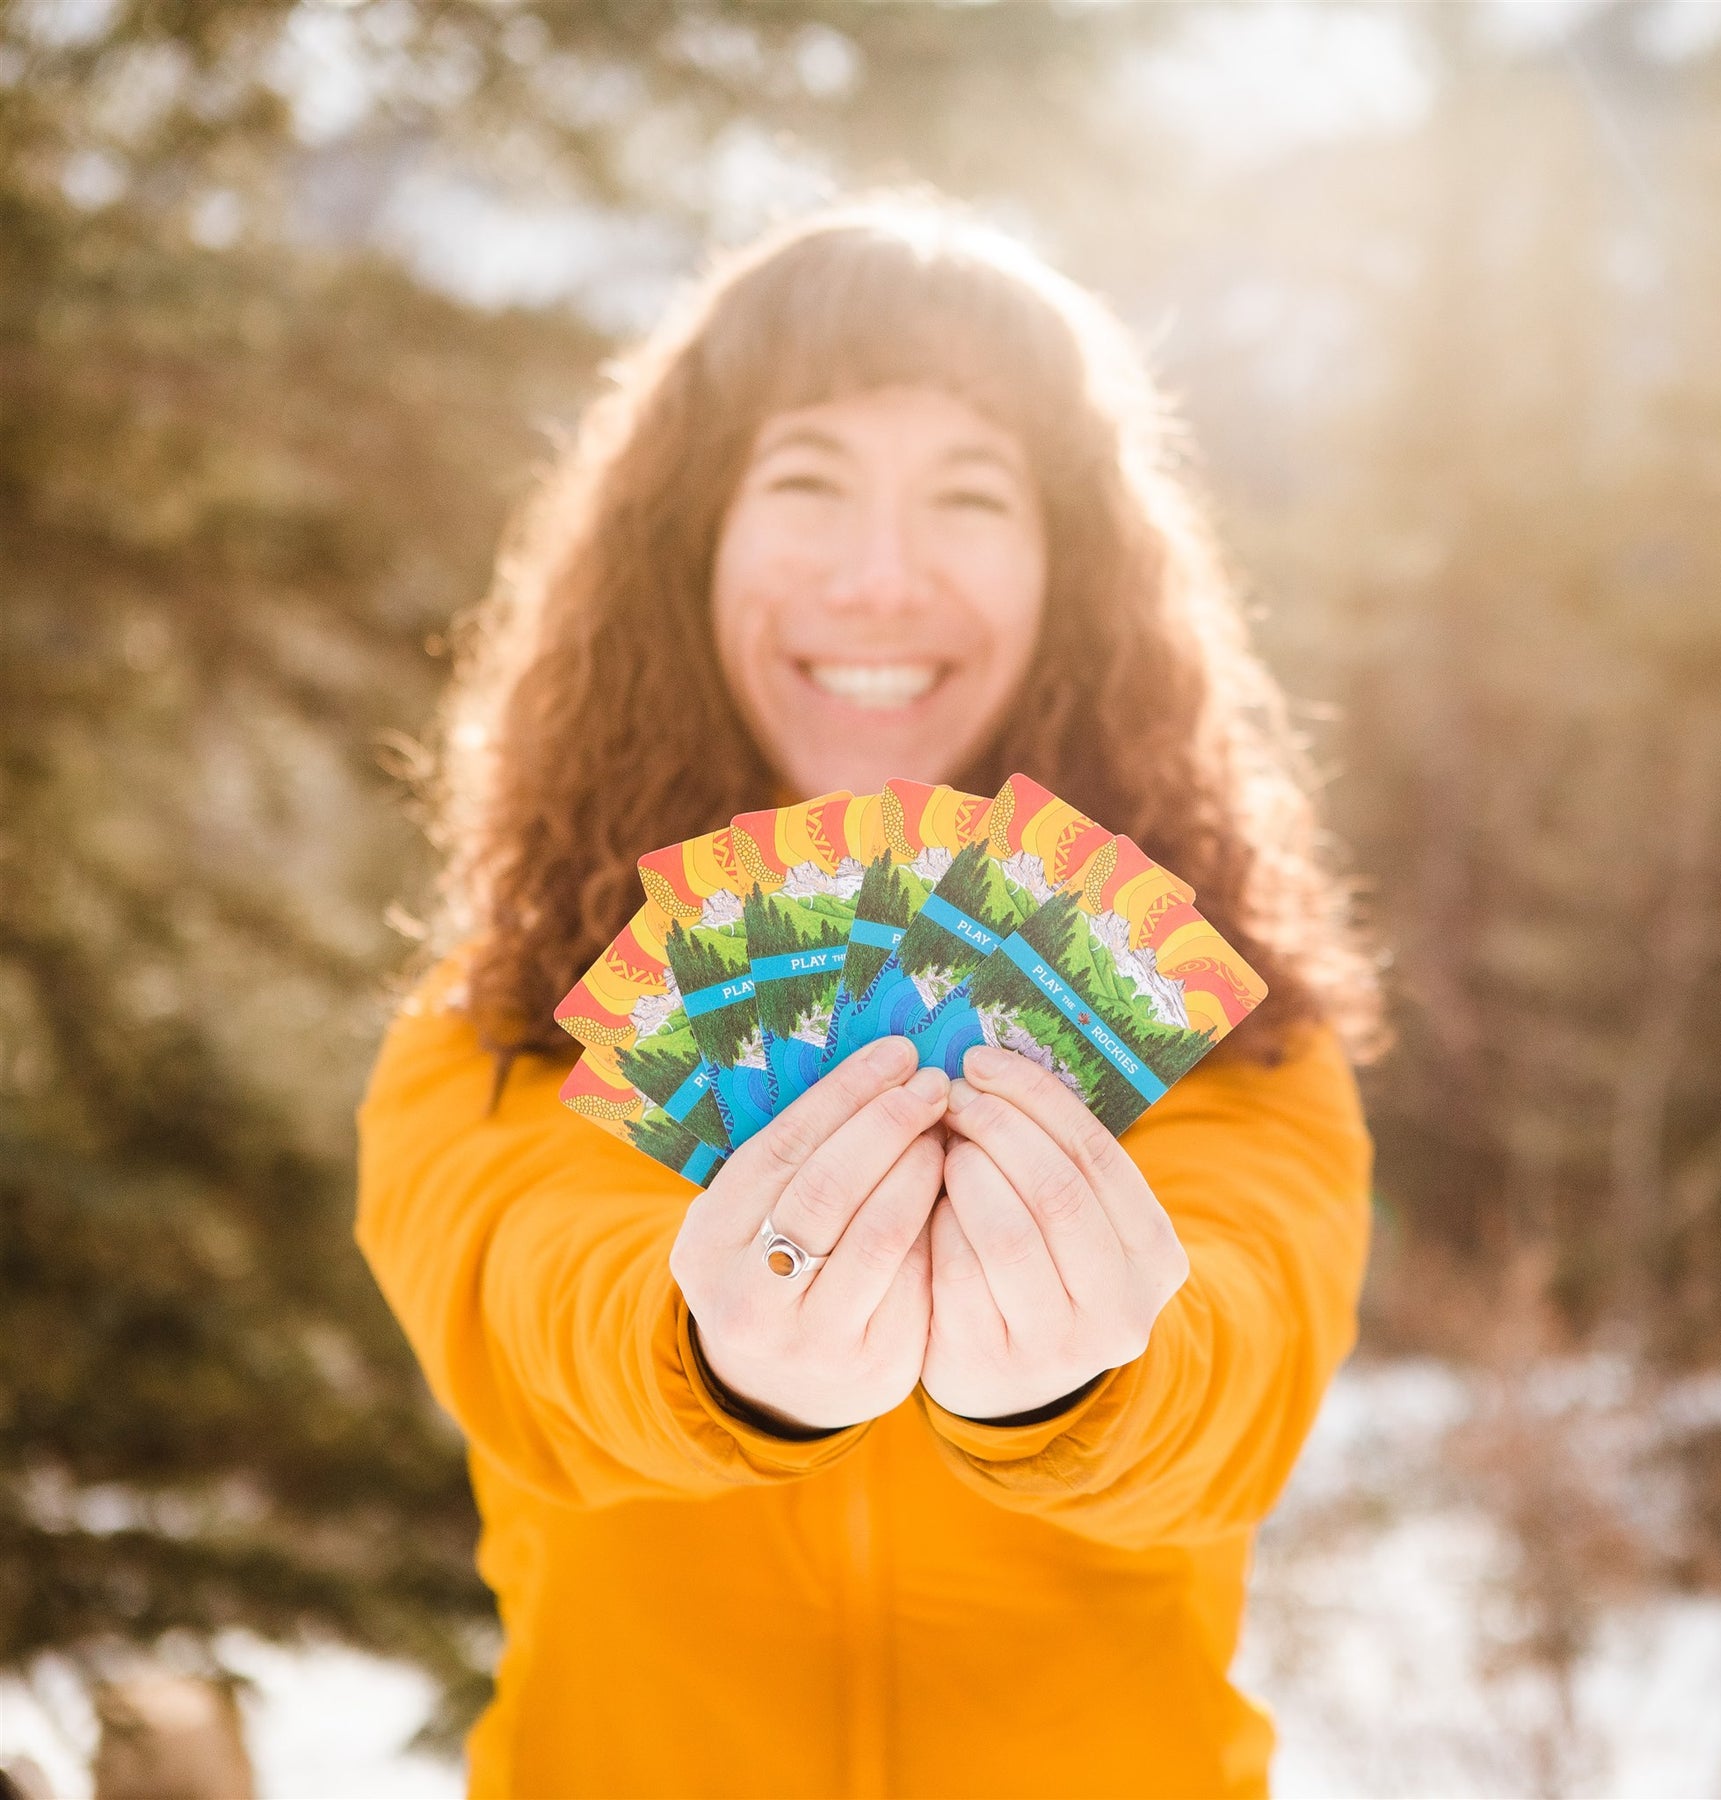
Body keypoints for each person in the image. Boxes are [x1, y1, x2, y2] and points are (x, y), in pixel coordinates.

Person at [356, 195, 1382, 1799]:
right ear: (686, 547)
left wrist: (1086, 1381)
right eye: (809, 481)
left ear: (1077, 571)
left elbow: (1240, 1376)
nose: (883, 577)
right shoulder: (494, 1014)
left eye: (972, 495)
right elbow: (518, 1295)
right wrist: (713, 1357)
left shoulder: (1241, 1030)